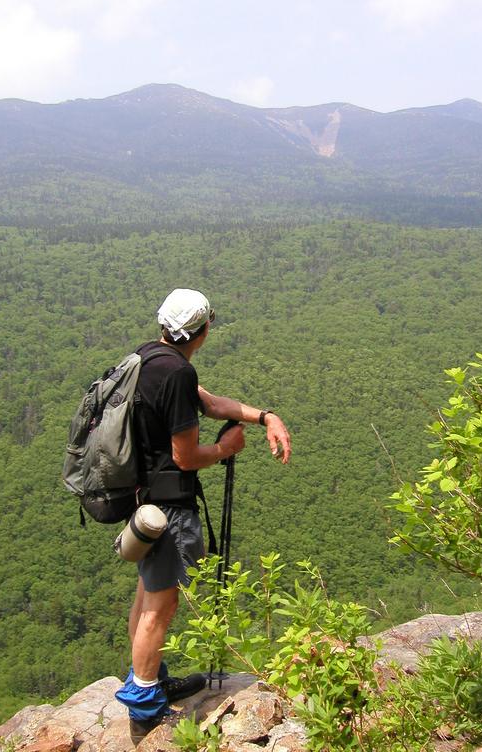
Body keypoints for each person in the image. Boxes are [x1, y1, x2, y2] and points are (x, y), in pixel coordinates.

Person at [115, 288, 292, 736]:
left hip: (142, 498)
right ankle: (144, 703)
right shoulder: (176, 374)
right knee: (162, 603)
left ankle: (148, 679)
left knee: (147, 593)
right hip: (167, 505)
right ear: (204, 329)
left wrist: (264, 416)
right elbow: (187, 457)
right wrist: (226, 447)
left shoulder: (147, 359)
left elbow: (211, 405)